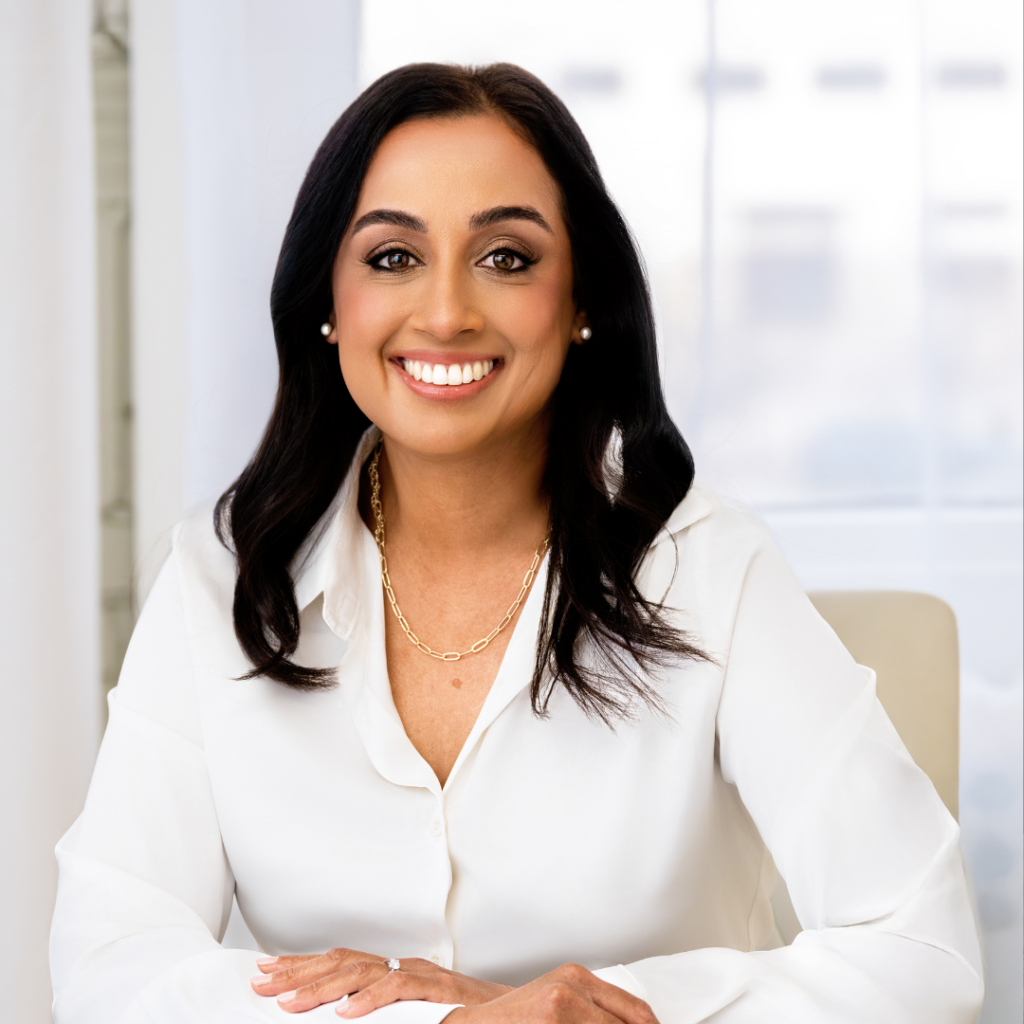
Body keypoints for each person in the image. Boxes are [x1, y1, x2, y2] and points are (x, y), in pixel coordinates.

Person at [50, 63, 983, 1024]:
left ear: (582, 301)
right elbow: (110, 964)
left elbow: (923, 951)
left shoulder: (710, 569)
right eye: (392, 258)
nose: (447, 311)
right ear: (327, 303)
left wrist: (603, 1012)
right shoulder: (221, 580)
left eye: (506, 257)